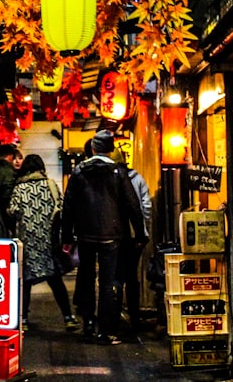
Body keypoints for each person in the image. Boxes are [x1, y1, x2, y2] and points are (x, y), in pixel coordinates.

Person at [61, 130, 148, 346]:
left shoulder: (79, 171)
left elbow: (68, 205)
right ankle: (105, 332)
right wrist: (139, 233)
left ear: (93, 148)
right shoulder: (118, 172)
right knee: (108, 283)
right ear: (111, 150)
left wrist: (66, 236)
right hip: (113, 236)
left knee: (87, 277)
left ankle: (88, 324)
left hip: (85, 235)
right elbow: (132, 205)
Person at [7, 153, 81, 332]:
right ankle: (68, 317)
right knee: (55, 280)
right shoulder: (51, 185)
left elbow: (12, 211)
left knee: (24, 282)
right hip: (49, 240)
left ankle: (22, 320)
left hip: (28, 242)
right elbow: (62, 208)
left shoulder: (19, 188)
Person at [115, 151, 152, 335]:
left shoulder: (110, 180)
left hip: (115, 236)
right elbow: (146, 204)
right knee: (132, 277)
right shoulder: (137, 178)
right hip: (135, 236)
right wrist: (143, 228)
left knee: (117, 277)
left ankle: (115, 319)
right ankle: (135, 318)